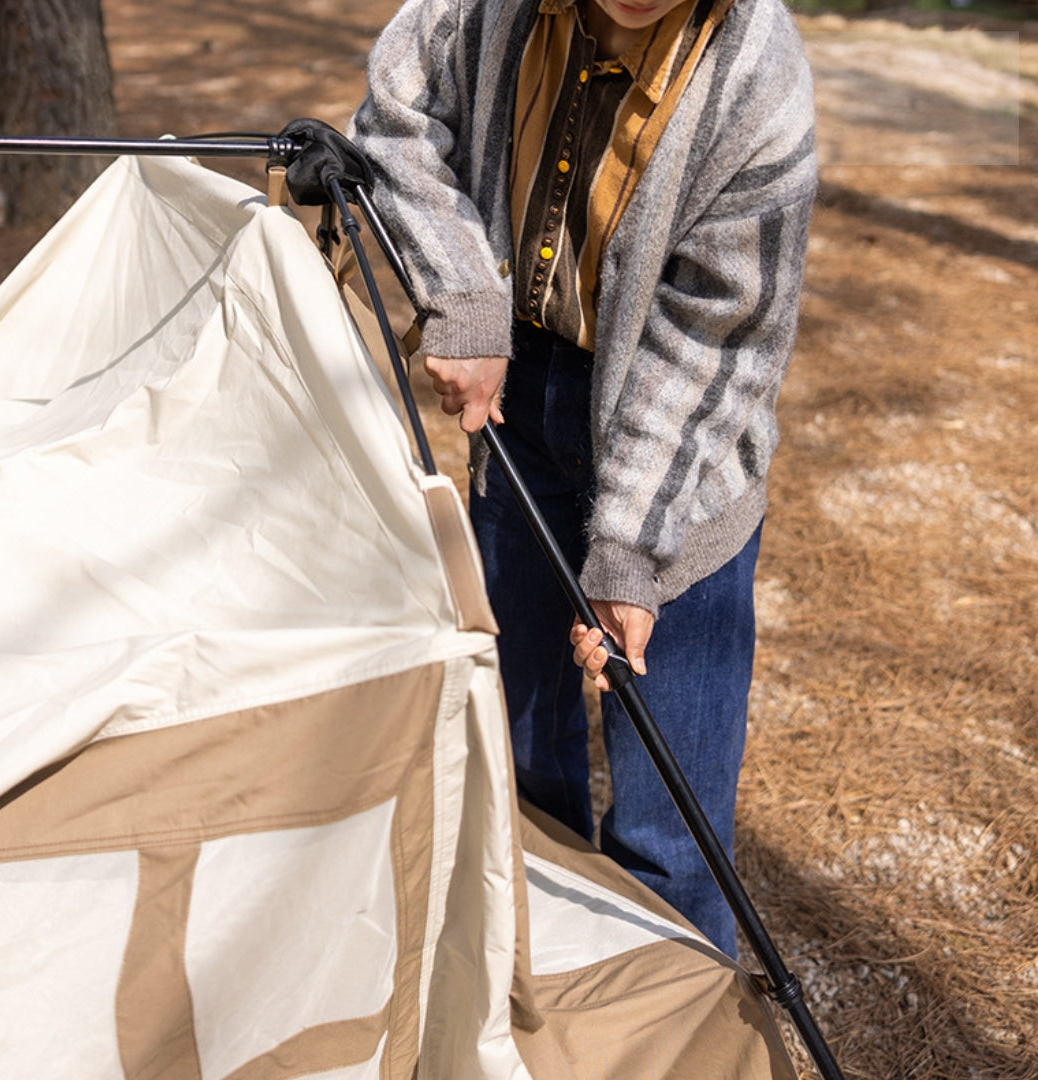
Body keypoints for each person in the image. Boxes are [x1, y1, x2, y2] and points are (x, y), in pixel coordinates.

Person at [348, 0, 816, 959]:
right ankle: (541, 1008)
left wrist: (630, 551)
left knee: (668, 829)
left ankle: (675, 1041)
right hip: (522, 396)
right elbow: (396, 119)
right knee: (523, 773)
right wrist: (466, 301)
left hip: (679, 449)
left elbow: (714, 346)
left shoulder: (758, 81)